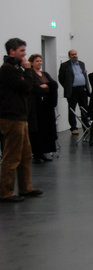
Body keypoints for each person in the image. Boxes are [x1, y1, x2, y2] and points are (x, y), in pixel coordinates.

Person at [0, 38, 43, 202]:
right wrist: (28, 70)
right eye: (22, 51)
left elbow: (27, 86)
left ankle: (26, 187)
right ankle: (5, 191)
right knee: (12, 157)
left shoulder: (16, 68)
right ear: (12, 51)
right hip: (11, 117)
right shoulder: (7, 69)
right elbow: (26, 87)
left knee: (25, 155)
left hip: (20, 117)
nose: (25, 54)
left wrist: (26, 74)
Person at [28, 54, 59, 163]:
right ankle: (37, 154)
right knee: (38, 130)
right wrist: (46, 87)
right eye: (37, 61)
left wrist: (46, 86)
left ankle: (43, 152)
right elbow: (34, 88)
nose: (39, 63)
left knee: (46, 129)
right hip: (36, 106)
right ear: (32, 63)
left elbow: (54, 84)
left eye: (40, 61)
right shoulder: (31, 74)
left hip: (46, 105)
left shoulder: (45, 74)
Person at [58, 49, 90, 135]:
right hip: (72, 90)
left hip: (82, 89)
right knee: (72, 109)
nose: (74, 56)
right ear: (69, 56)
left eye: (75, 54)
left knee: (84, 109)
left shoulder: (82, 64)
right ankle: (73, 128)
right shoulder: (65, 65)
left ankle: (86, 126)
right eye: (72, 54)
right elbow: (61, 78)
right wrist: (67, 87)